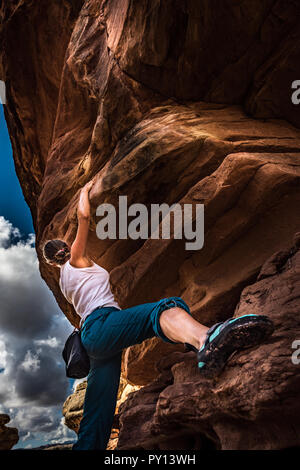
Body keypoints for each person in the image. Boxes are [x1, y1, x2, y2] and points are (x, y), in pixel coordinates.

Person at [42, 181, 274, 450]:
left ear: (51, 263)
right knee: (163, 308)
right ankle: (206, 339)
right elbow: (83, 216)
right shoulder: (75, 261)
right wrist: (84, 189)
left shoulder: (64, 281)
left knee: (98, 411)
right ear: (65, 250)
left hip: (93, 340)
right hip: (101, 323)